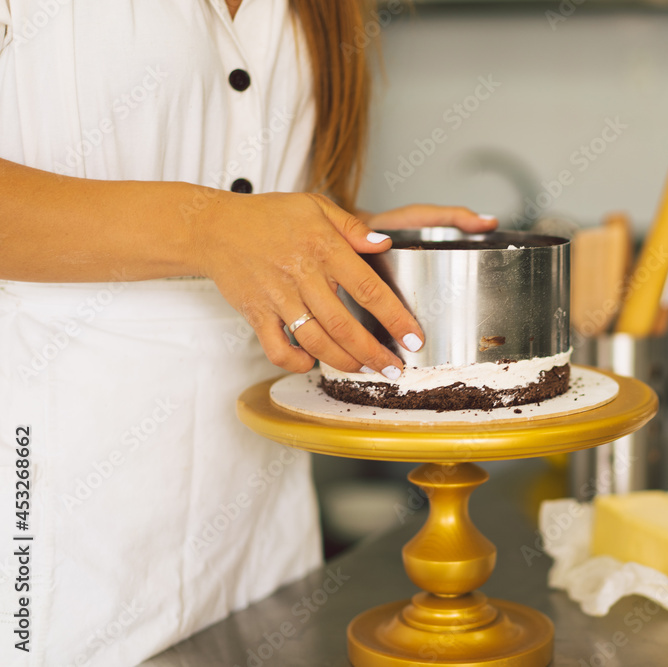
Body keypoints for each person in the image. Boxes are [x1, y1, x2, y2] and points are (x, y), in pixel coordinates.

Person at [0, 1, 496, 665]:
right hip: (47, 519)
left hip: (257, 537)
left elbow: (254, 204)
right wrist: (209, 227)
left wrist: (333, 245)